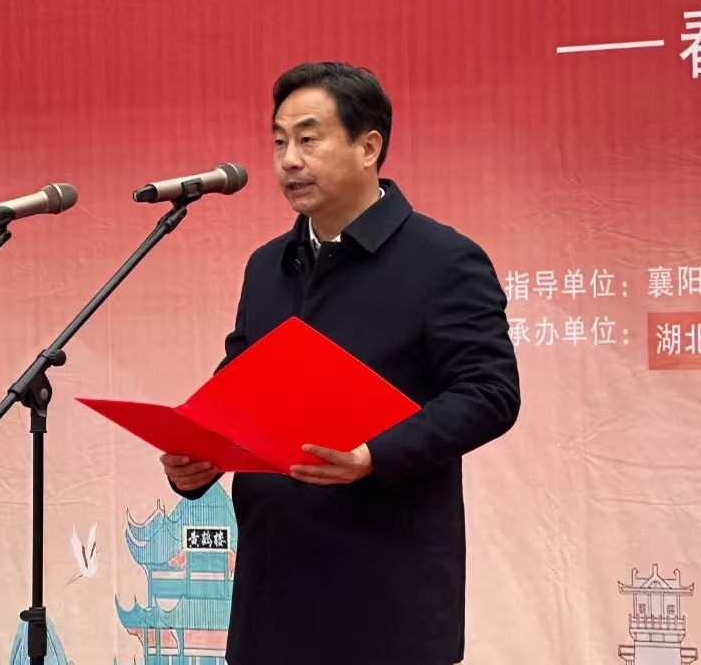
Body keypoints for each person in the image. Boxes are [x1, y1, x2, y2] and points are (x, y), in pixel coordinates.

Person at [161, 62, 521, 665]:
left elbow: (490, 392)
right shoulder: (267, 266)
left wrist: (375, 453)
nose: (289, 160)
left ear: (368, 147)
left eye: (309, 138)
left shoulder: (442, 259)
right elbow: (238, 385)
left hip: (384, 595)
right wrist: (198, 458)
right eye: (279, 141)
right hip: (271, 593)